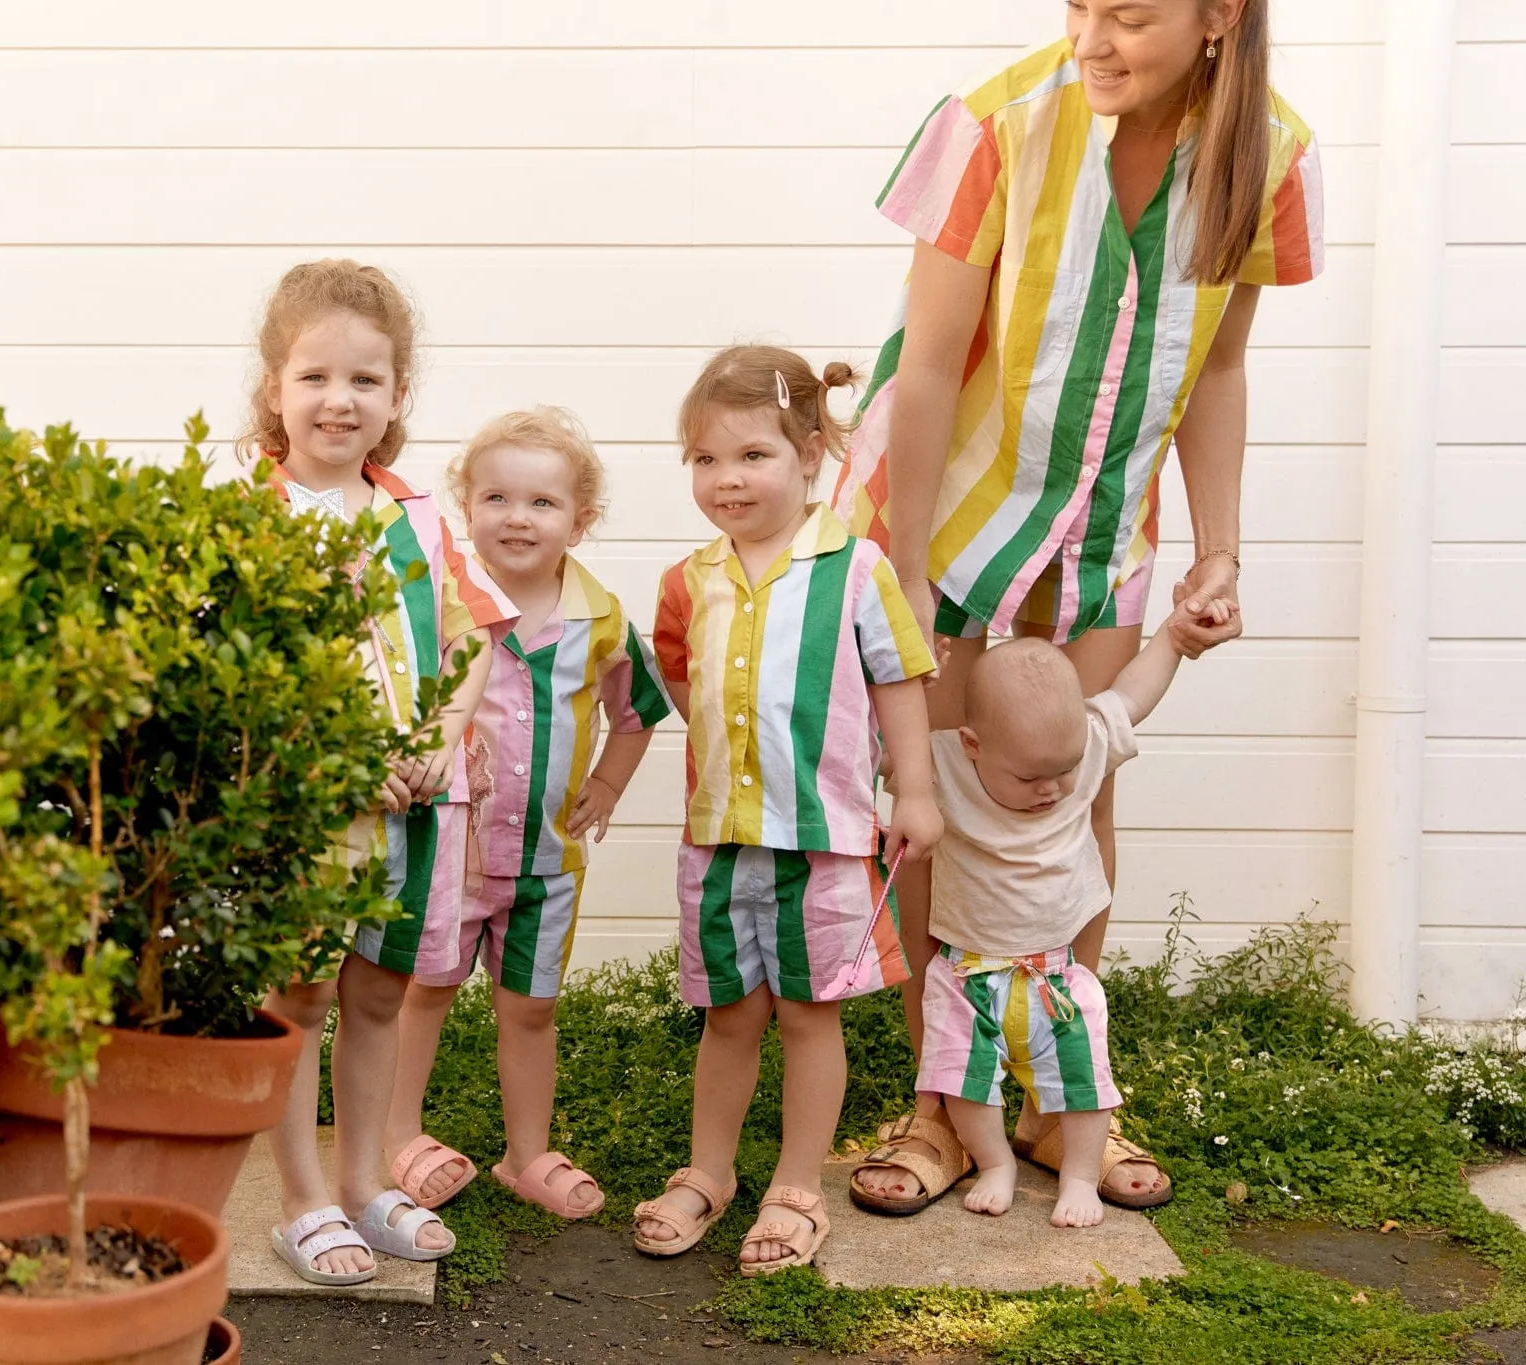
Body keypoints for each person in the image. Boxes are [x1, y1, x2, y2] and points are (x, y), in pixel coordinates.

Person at [838, 0, 1322, 1216]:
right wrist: (900, 564)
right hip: (944, 522)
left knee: (1073, 797)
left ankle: (1063, 1098)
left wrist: (1220, 550)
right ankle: (943, 1107)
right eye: (1077, 8)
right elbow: (931, 358)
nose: (1090, 38)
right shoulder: (989, 125)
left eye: (1129, 16)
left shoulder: (1274, 155)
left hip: (1103, 537)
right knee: (934, 806)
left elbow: (1215, 364)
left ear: (1218, 19)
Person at [632, 347, 940, 1275]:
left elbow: (900, 679)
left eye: (752, 455)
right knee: (730, 1015)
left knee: (809, 1017)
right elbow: (685, 683)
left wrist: (914, 791)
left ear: (810, 454)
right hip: (720, 841)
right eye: (705, 460)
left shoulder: (856, 568)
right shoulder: (689, 580)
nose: (727, 479)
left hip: (827, 842)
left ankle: (797, 1184)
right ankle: (708, 1172)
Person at [249, 260, 516, 1286]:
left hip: (416, 812)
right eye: (314, 377)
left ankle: (365, 1181)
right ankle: (301, 1196)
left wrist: (442, 733)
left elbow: (474, 631)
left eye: (364, 381)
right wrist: (343, 763)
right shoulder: (252, 516)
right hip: (313, 811)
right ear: (274, 386)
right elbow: (249, 672)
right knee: (300, 997)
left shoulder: (417, 519)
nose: (338, 400)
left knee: (377, 993)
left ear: (396, 397)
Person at [385, 406, 674, 1220]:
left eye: (542, 503)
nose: (517, 517)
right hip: (447, 851)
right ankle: (395, 1132)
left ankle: (527, 1150)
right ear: (464, 507)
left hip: (546, 861)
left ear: (580, 520)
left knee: (532, 1005)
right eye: (497, 499)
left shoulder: (601, 618)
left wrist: (610, 786)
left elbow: (638, 709)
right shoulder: (445, 605)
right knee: (425, 989)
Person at [920, 600, 1230, 1229]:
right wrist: (904, 674)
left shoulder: (1082, 748)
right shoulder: (939, 764)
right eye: (1032, 776)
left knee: (1087, 1085)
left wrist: (1172, 639)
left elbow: (1132, 695)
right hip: (964, 973)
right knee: (962, 1081)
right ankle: (995, 1160)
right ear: (973, 746)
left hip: (1058, 976)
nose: (1053, 790)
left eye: (1064, 773)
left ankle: (1080, 1175)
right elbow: (864, 739)